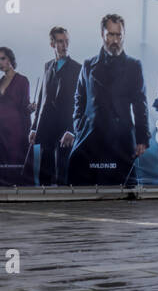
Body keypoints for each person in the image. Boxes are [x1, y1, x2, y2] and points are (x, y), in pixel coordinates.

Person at [62, 14, 149, 187]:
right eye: (110, 34)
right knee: (80, 188)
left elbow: (140, 104)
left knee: (122, 194)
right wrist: (79, 126)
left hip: (120, 140)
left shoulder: (134, 65)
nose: (115, 40)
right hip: (90, 138)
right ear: (102, 35)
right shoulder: (88, 65)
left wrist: (142, 138)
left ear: (123, 36)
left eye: (118, 35)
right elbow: (79, 98)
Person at [29, 26, 80, 186]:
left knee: (62, 174)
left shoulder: (77, 68)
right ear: (52, 44)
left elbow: (81, 103)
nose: (64, 45)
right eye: (60, 42)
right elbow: (42, 98)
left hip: (65, 129)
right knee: (44, 173)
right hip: (46, 128)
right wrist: (34, 127)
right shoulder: (47, 66)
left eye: (66, 41)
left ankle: (64, 207)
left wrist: (72, 129)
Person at [0, 46, 31, 186]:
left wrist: (32, 108)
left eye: (3, 58)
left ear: (10, 58)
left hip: (14, 131)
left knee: (14, 165)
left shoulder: (23, 80)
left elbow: (25, 107)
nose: (0, 63)